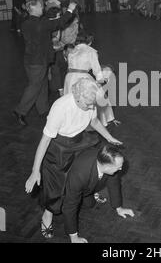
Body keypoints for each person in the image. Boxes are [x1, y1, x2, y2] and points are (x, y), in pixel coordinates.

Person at [25, 78, 122, 239]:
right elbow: (45, 141)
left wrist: (109, 137)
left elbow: (94, 121)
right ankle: (47, 215)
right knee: (56, 185)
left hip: (80, 140)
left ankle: (89, 191)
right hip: (60, 146)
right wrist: (35, 171)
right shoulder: (60, 107)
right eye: (88, 104)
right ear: (77, 96)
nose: (91, 107)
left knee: (89, 168)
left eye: (93, 104)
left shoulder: (89, 100)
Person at [13, 0, 77, 127]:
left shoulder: (26, 23)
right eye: (40, 6)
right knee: (35, 86)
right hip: (38, 61)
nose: (42, 7)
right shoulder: (40, 24)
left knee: (42, 85)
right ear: (34, 9)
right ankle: (20, 111)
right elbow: (60, 22)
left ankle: (43, 110)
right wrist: (70, 9)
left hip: (31, 59)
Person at [62, 144, 134, 243]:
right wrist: (73, 237)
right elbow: (70, 206)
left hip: (87, 182)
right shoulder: (79, 175)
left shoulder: (105, 160)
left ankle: (91, 190)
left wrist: (119, 208)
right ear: (107, 167)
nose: (121, 169)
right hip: (64, 185)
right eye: (119, 167)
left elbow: (114, 184)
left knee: (90, 204)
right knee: (63, 206)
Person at [64, 32, 117, 127]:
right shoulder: (91, 51)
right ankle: (100, 121)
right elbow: (96, 68)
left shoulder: (72, 50)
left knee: (72, 100)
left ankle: (73, 123)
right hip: (82, 77)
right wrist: (101, 80)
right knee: (96, 96)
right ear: (89, 42)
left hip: (69, 77)